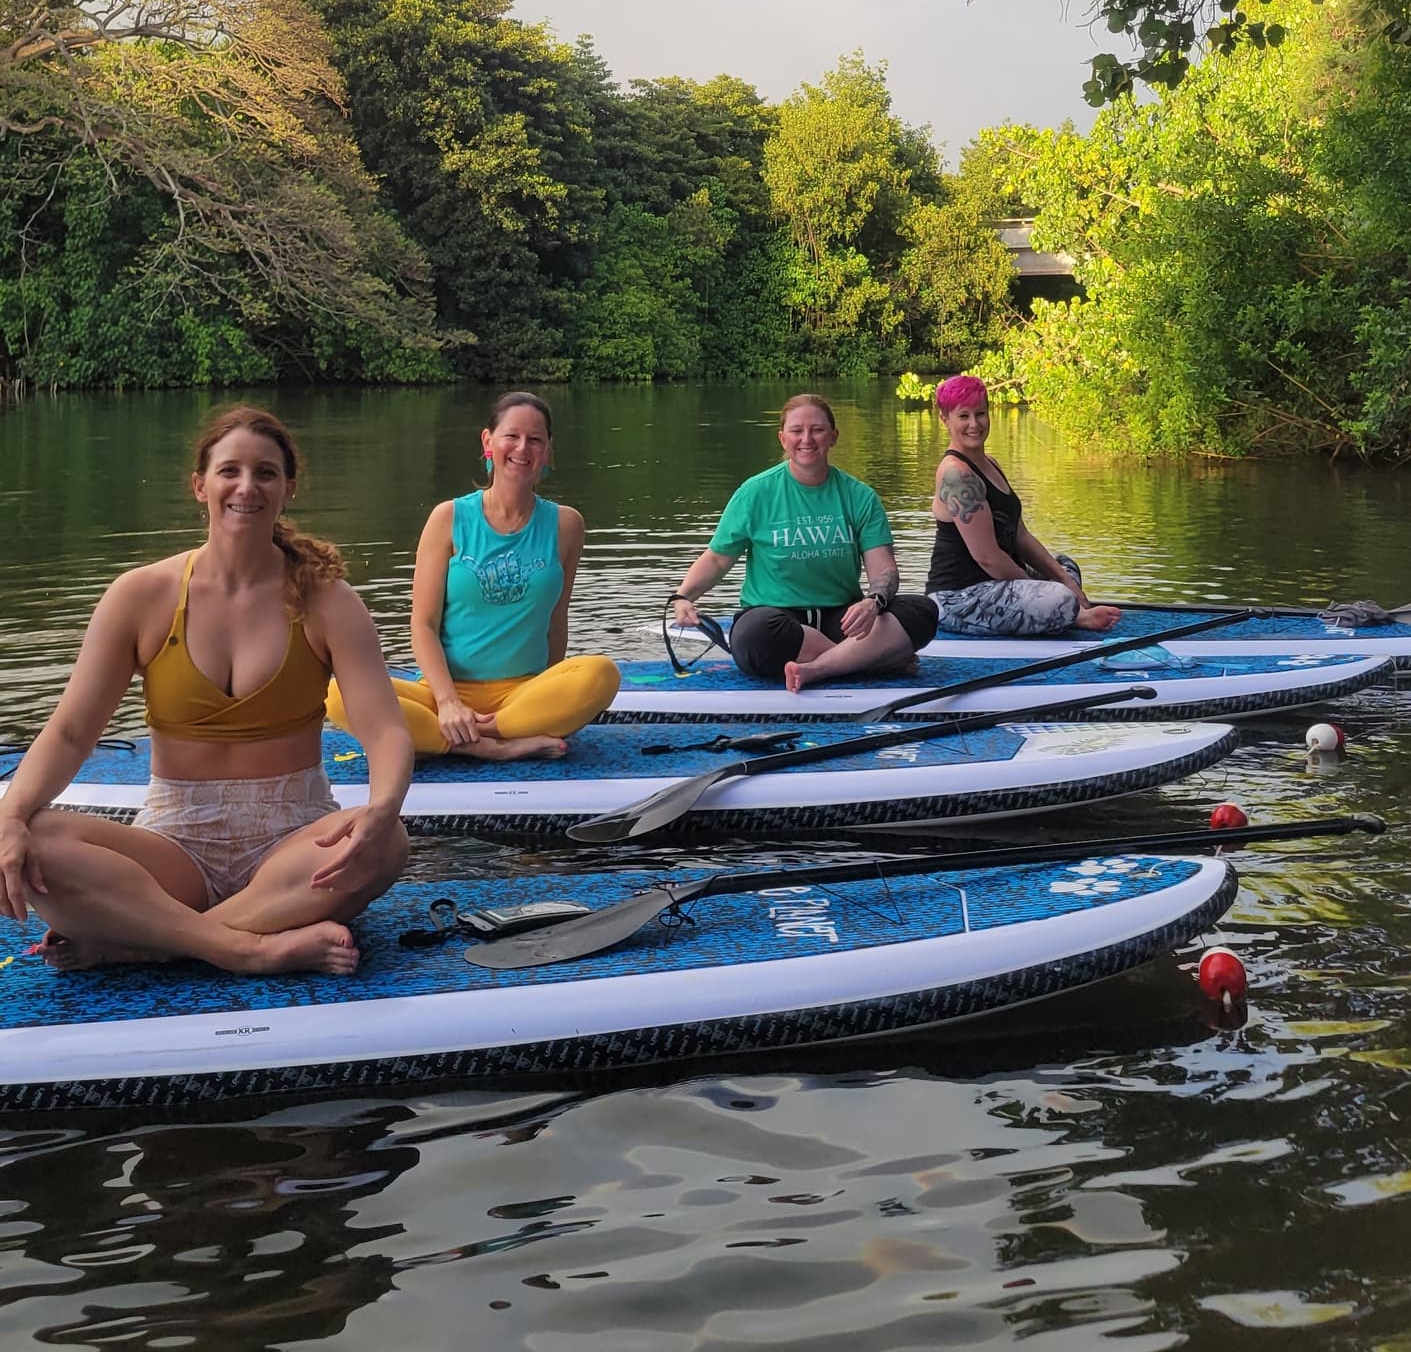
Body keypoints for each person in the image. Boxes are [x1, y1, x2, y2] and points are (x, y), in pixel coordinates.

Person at [0, 405, 412, 977]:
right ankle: (246, 946)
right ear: (200, 485)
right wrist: (11, 816)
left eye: (266, 473)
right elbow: (71, 732)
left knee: (387, 840)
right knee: (35, 842)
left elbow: (384, 726)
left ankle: (150, 940)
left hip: (293, 842)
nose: (248, 486)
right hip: (174, 846)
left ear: (288, 487)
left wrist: (383, 804)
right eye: (230, 471)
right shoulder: (139, 596)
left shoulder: (326, 599)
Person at [338, 391, 619, 763]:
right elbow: (422, 625)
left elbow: (557, 621)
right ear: (488, 441)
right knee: (337, 694)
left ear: (548, 450)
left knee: (602, 674)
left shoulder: (567, 525)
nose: (523, 448)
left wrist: (552, 695)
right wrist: (448, 701)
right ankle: (492, 745)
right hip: (445, 692)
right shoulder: (448, 518)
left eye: (535, 439)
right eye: (512, 436)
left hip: (522, 694)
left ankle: (460, 733)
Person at [670, 391, 938, 693]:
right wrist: (682, 597)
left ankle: (818, 668)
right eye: (797, 431)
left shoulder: (860, 496)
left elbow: (884, 570)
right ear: (783, 438)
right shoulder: (755, 493)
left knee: (922, 611)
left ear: (833, 437)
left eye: (817, 430)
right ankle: (869, 660)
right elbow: (717, 559)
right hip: (779, 621)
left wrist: (872, 604)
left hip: (843, 618)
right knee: (753, 637)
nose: (807, 439)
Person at [927, 373, 1120, 637]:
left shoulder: (990, 463)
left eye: (980, 413)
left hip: (997, 585)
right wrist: (1039, 592)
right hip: (956, 599)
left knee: (1066, 567)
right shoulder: (956, 474)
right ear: (945, 419)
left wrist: (1063, 580)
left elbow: (1020, 536)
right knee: (1057, 597)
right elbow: (988, 558)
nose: (974, 424)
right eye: (963, 416)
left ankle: (1061, 610)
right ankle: (1071, 616)